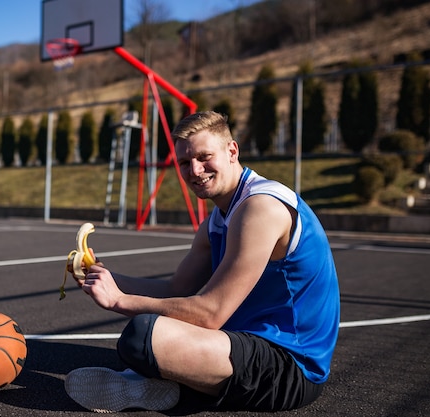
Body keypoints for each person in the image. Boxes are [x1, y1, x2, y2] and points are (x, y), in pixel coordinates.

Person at [64, 111, 340, 412]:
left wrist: (120, 301)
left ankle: (178, 391)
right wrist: (104, 277)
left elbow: (210, 313)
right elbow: (176, 288)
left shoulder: (261, 207)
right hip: (242, 344)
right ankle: (169, 387)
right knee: (148, 337)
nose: (195, 170)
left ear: (232, 151)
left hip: (291, 366)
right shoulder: (217, 220)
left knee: (142, 337)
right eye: (184, 162)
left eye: (204, 157)